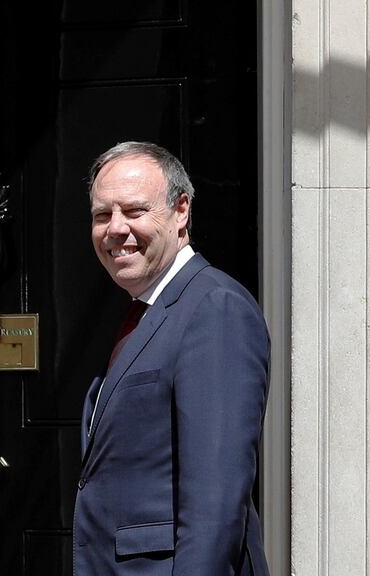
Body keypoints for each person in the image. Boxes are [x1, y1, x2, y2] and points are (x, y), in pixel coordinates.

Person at [74, 141, 270, 575]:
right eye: (103, 215)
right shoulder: (143, 312)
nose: (115, 229)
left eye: (135, 211)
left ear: (181, 211)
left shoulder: (214, 308)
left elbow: (216, 502)